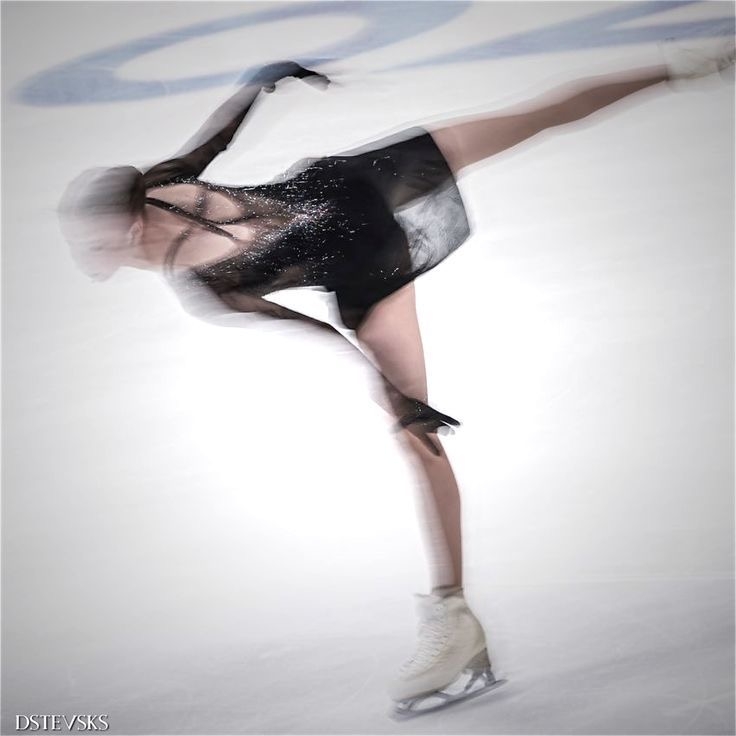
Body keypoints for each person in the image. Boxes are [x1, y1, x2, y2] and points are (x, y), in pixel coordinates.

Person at [58, 45, 733, 717]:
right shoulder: (194, 254)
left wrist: (263, 83)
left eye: (104, 241)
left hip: (358, 201)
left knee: (535, 118)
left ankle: (687, 67)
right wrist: (397, 397)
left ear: (133, 222)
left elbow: (220, 142)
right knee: (419, 439)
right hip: (365, 244)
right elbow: (312, 325)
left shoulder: (186, 234)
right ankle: (455, 616)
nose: (103, 257)